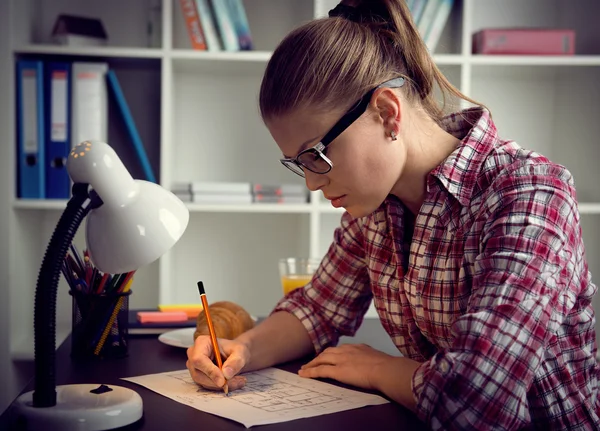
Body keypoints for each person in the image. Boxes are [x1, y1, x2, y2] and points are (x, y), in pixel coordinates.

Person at [187, 0, 600, 428]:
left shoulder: (530, 194)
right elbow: (318, 309)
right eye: (299, 163)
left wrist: (377, 369)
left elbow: (475, 402)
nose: (311, 182)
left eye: (316, 155)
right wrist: (245, 350)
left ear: (387, 112)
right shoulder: (374, 210)